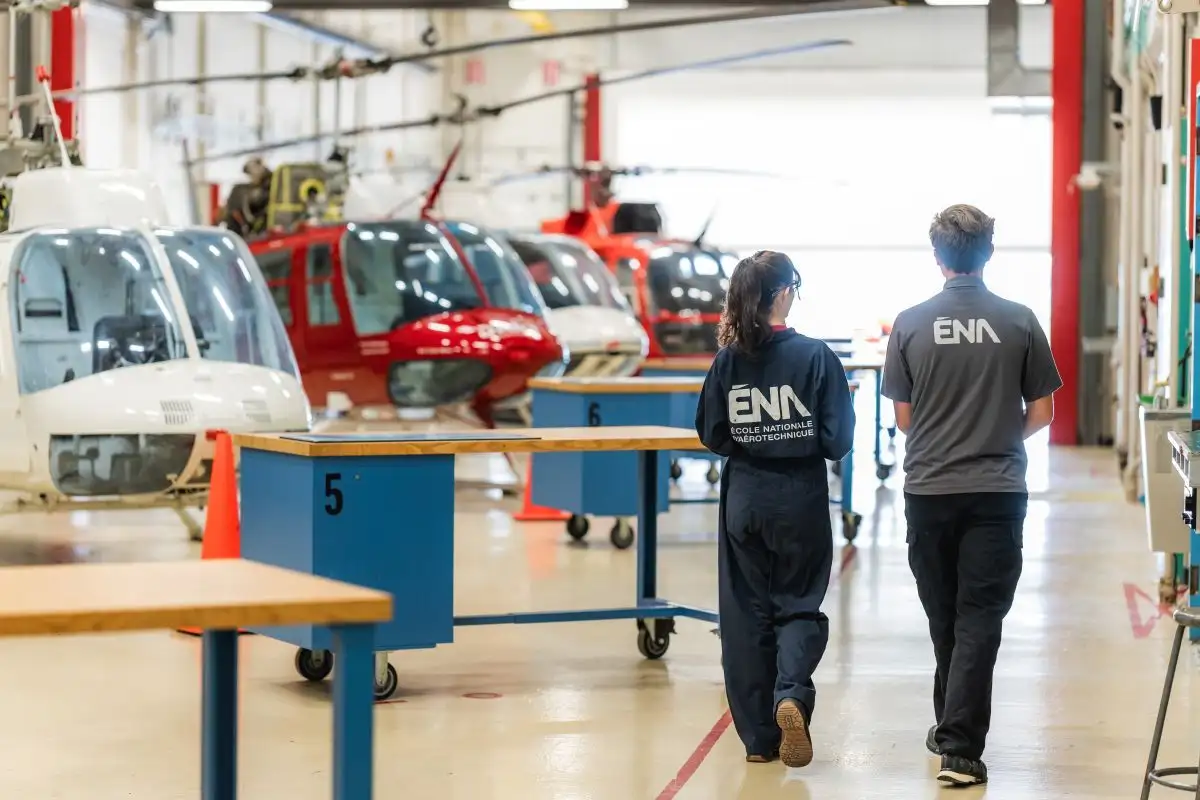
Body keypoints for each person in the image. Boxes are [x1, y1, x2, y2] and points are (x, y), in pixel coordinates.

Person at [881, 204, 1062, 787]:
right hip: (997, 491)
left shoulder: (909, 323)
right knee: (979, 617)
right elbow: (1043, 411)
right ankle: (956, 741)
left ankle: (955, 737)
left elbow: (905, 420)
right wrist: (997, 433)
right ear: (988, 252)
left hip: (929, 489)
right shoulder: (1019, 320)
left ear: (937, 256)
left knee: (946, 618)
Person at [695, 250, 855, 767]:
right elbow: (837, 442)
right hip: (800, 500)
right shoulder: (816, 357)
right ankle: (790, 694)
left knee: (745, 616)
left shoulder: (728, 360)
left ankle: (759, 741)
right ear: (784, 294)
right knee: (798, 605)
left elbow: (712, 433)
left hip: (745, 497)